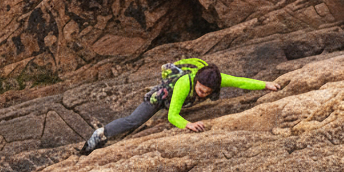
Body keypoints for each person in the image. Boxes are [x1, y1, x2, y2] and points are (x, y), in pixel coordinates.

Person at [82, 60, 279, 153]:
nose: (204, 94)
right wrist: (188, 125)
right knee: (134, 121)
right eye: (201, 90)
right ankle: (100, 134)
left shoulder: (216, 79)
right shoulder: (184, 83)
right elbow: (172, 115)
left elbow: (240, 82)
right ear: (196, 82)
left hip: (182, 100)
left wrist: (265, 85)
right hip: (162, 98)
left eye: (207, 92)